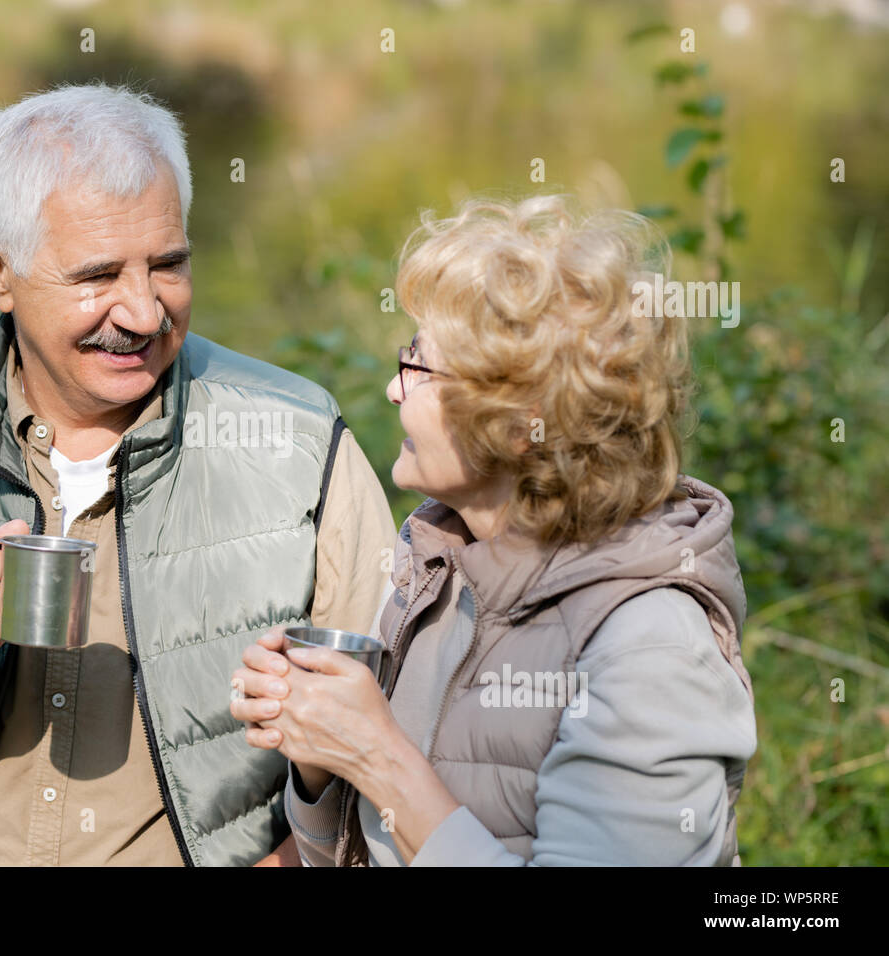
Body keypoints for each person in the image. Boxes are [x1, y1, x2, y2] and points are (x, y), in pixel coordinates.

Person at [0, 81, 395, 867]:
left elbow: (391, 756)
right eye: (98, 276)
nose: (144, 312)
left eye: (169, 265)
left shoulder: (297, 437)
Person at [232, 193, 758, 865]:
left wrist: (376, 753)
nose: (395, 391)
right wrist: (320, 754)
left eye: (418, 367)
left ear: (518, 422)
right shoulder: (436, 567)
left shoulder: (646, 650)